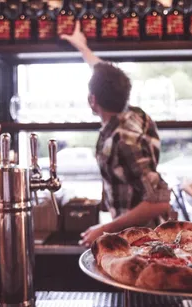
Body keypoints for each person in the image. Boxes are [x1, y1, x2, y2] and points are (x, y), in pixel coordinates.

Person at [61, 22, 172, 247]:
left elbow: (160, 200)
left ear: (92, 100)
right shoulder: (133, 114)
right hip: (136, 237)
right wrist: (83, 48)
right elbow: (108, 77)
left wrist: (104, 229)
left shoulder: (123, 141)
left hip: (146, 242)